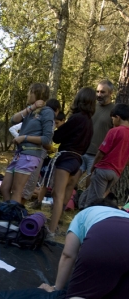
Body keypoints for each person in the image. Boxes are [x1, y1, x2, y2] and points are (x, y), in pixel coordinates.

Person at [40, 199, 129, 299]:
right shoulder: (123, 215)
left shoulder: (83, 214)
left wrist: (57, 288)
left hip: (107, 240)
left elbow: (68, 254)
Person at [47, 87, 96, 238]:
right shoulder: (89, 122)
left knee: (58, 194)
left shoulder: (77, 118)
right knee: (66, 193)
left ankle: (51, 230)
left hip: (67, 158)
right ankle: (56, 222)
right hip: (77, 161)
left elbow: (57, 137)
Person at [0, 83, 54, 203]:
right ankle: (8, 211)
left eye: (31, 92)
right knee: (4, 188)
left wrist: (24, 137)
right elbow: (13, 120)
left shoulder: (47, 112)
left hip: (30, 155)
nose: (28, 94)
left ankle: (12, 218)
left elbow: (46, 139)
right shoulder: (31, 110)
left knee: (17, 190)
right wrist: (31, 107)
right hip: (20, 153)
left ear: (38, 94)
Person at [82, 103, 129, 207]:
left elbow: (101, 152)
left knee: (95, 200)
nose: (112, 122)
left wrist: (94, 167)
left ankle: (88, 215)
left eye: (112, 119)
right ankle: (81, 205)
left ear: (117, 117)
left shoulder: (114, 131)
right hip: (116, 173)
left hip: (103, 169)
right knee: (93, 191)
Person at [22, 98, 61, 204]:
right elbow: (45, 141)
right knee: (30, 181)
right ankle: (19, 206)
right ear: (56, 110)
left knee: (26, 180)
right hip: (37, 154)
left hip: (29, 152)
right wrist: (52, 149)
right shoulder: (49, 120)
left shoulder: (37, 116)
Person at [78, 79, 114, 187]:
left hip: (97, 154)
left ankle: (86, 203)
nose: (99, 95)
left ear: (110, 93)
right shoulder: (91, 107)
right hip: (81, 150)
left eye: (103, 92)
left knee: (90, 183)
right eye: (97, 91)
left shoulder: (114, 110)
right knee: (71, 178)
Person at [31, 111, 66, 209]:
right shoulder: (53, 132)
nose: (55, 125)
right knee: (45, 182)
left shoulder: (65, 132)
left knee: (56, 184)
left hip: (59, 162)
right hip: (50, 161)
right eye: (54, 123)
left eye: (57, 123)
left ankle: (54, 205)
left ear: (63, 120)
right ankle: (38, 201)